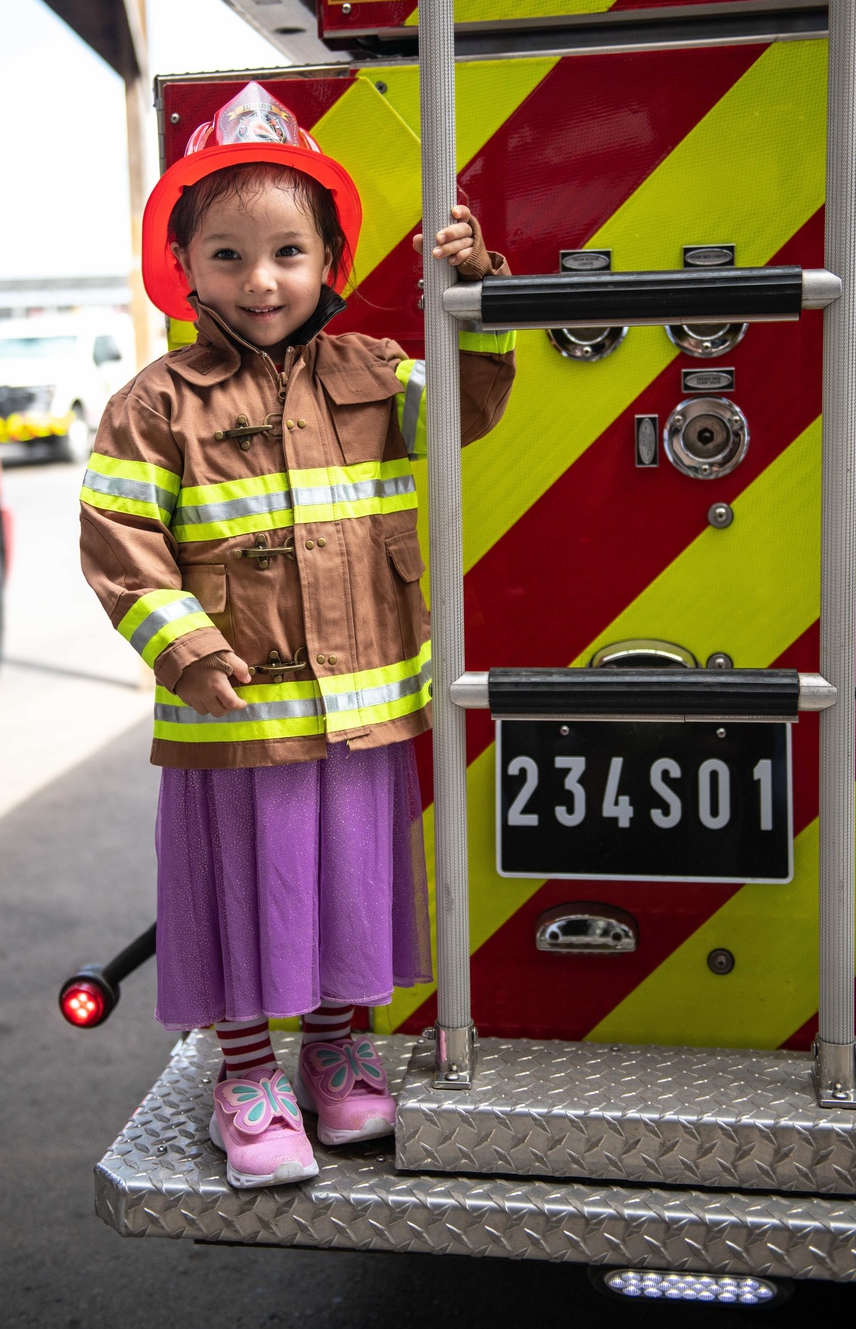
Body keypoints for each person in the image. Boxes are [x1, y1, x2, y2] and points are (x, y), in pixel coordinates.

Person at [80, 81, 515, 1190]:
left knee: (345, 888)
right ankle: (244, 1078)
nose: (258, 280)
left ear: (329, 258)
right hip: (236, 718)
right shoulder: (153, 405)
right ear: (182, 266)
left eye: (285, 252)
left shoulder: (377, 373)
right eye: (225, 256)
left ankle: (331, 1054)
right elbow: (119, 540)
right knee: (242, 895)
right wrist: (188, 651)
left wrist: (476, 293)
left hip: (362, 709)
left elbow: (467, 406)